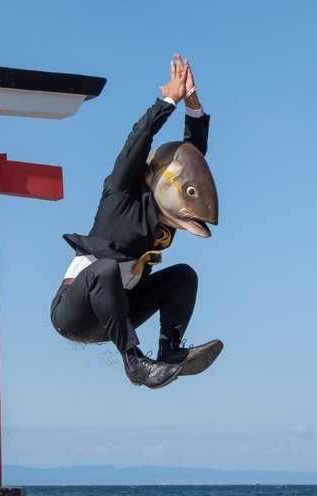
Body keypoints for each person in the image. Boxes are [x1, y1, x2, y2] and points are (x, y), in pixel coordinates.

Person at [51, 54, 223, 389]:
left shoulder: (166, 218)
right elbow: (138, 139)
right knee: (104, 269)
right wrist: (169, 101)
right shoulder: (122, 192)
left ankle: (170, 350)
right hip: (74, 310)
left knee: (183, 276)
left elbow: (192, 160)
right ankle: (134, 363)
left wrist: (194, 105)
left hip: (118, 314)